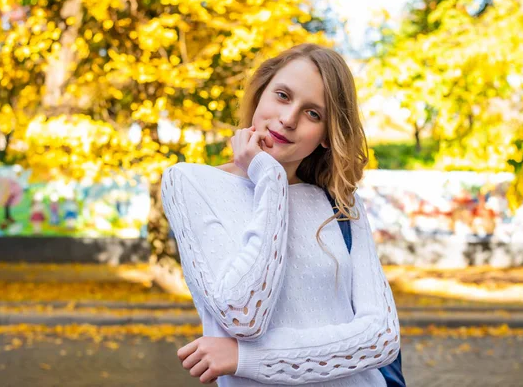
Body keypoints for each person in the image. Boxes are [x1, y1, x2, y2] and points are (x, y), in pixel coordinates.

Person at [161, 43, 401, 386]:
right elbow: (244, 315)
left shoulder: (341, 203)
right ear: (260, 93)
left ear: (326, 137)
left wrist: (248, 358)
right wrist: (271, 180)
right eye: (283, 95)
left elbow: (382, 337)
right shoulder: (190, 182)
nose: (288, 119)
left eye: (313, 114)